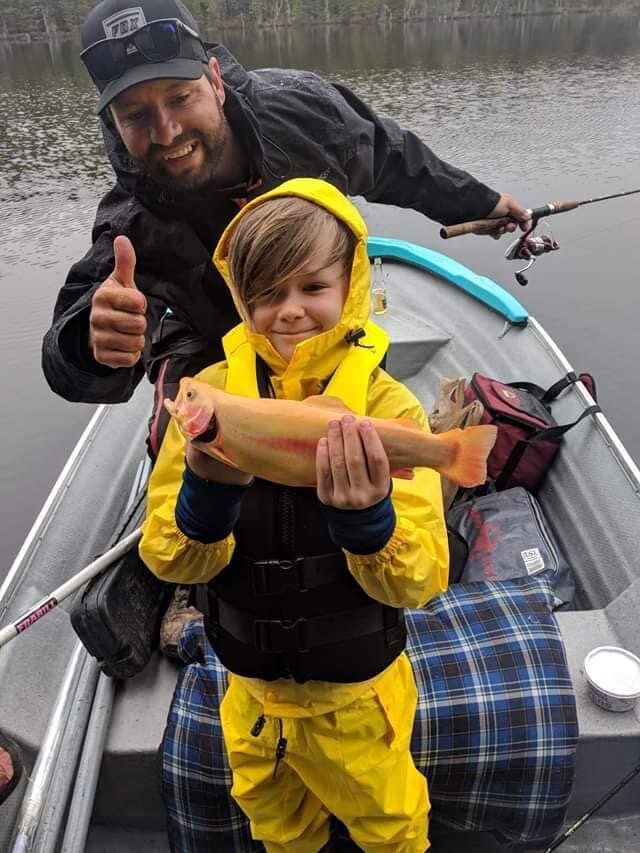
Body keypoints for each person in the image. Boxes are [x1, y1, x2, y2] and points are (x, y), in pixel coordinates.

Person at [41, 0, 530, 457]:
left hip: (322, 323)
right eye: (137, 115)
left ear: (214, 80)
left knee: (365, 443)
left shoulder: (303, 113)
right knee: (182, 444)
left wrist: (480, 203)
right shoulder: (133, 217)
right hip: (210, 338)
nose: (167, 132)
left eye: (180, 97)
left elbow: (393, 158)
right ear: (115, 122)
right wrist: (93, 342)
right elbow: (68, 363)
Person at [139, 177, 451, 851]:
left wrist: (371, 520)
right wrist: (206, 497)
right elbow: (165, 554)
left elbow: (421, 581)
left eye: (312, 287)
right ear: (241, 299)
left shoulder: (387, 405)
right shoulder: (213, 394)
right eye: (268, 294)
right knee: (278, 830)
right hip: (251, 698)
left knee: (393, 827)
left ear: (351, 284)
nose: (290, 311)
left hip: (360, 700)